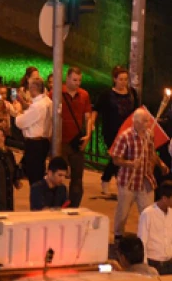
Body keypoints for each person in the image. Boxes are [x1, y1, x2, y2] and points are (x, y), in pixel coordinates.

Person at [110, 108, 165, 239]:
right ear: (136, 122)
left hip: (145, 179)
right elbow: (116, 159)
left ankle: (147, 237)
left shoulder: (149, 134)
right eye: (145, 121)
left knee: (148, 212)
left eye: (148, 120)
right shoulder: (125, 136)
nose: (148, 123)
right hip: (128, 180)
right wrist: (130, 163)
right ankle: (118, 236)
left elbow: (152, 153)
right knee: (122, 212)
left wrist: (160, 163)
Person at [96, 66, 140, 196]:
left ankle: (113, 180)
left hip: (128, 131)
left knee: (124, 156)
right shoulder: (106, 94)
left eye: (125, 79)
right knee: (115, 156)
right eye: (120, 79)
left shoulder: (132, 93)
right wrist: (92, 124)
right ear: (114, 79)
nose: (123, 82)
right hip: (111, 132)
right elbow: (96, 109)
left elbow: (136, 110)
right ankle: (107, 180)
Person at [60, 67, 95, 207]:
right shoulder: (57, 92)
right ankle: (60, 203)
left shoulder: (84, 95)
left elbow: (88, 116)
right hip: (61, 140)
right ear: (67, 78)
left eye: (79, 80)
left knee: (77, 177)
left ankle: (74, 205)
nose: (77, 83)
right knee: (60, 174)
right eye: (74, 80)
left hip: (76, 141)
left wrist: (87, 135)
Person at [14, 78, 52, 183]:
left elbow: (20, 122)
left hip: (35, 145)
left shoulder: (37, 106)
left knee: (34, 177)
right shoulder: (47, 101)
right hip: (43, 143)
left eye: (29, 87)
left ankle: (37, 198)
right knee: (38, 173)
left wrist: (18, 110)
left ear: (33, 88)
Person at [138, 181, 172, 274]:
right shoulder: (148, 214)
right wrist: (144, 265)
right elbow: (142, 240)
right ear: (165, 198)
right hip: (153, 263)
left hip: (169, 262)